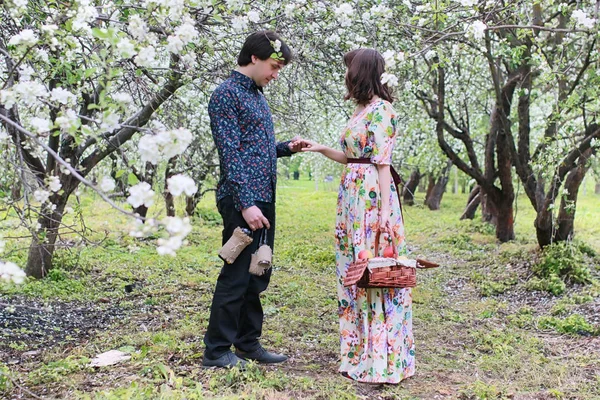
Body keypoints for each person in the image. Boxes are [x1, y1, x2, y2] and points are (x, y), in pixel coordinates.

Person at [295, 49, 415, 384]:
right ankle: (359, 354)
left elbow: (382, 165)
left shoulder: (382, 110)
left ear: (359, 71)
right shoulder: (361, 110)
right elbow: (353, 159)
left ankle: (382, 360)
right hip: (351, 199)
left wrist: (385, 218)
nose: (346, 74)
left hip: (371, 202)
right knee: (354, 273)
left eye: (349, 69)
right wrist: (320, 148)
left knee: (374, 274)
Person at [203, 31, 303, 369]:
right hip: (241, 200)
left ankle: (247, 343)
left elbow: (253, 150)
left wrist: (284, 148)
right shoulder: (225, 95)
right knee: (236, 276)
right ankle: (216, 351)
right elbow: (231, 155)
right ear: (255, 57)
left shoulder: (256, 96)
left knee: (258, 272)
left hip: (263, 198)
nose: (275, 75)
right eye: (274, 67)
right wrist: (246, 204)